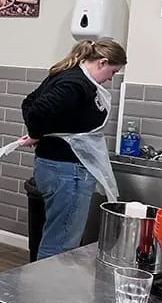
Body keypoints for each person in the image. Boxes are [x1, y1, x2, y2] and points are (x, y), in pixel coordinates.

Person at [19, 38, 127, 260]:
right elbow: (37, 110)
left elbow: (29, 102)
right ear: (102, 62)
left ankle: (45, 289)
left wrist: (40, 133)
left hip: (56, 167)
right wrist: (37, 133)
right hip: (67, 171)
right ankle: (46, 292)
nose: (110, 78)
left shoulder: (65, 74)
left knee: (57, 236)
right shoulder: (76, 84)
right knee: (60, 243)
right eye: (113, 71)